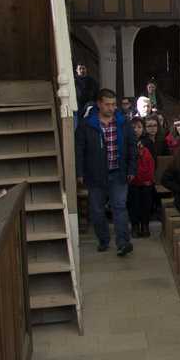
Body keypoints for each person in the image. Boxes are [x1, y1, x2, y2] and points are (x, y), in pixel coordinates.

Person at [75, 88, 137, 256]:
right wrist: (79, 172)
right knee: (96, 210)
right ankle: (103, 239)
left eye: (113, 104)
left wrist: (132, 168)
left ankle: (123, 242)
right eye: (107, 104)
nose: (111, 108)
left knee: (119, 207)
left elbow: (132, 146)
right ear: (99, 104)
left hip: (119, 172)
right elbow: (79, 150)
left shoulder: (122, 122)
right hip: (95, 175)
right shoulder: (87, 125)